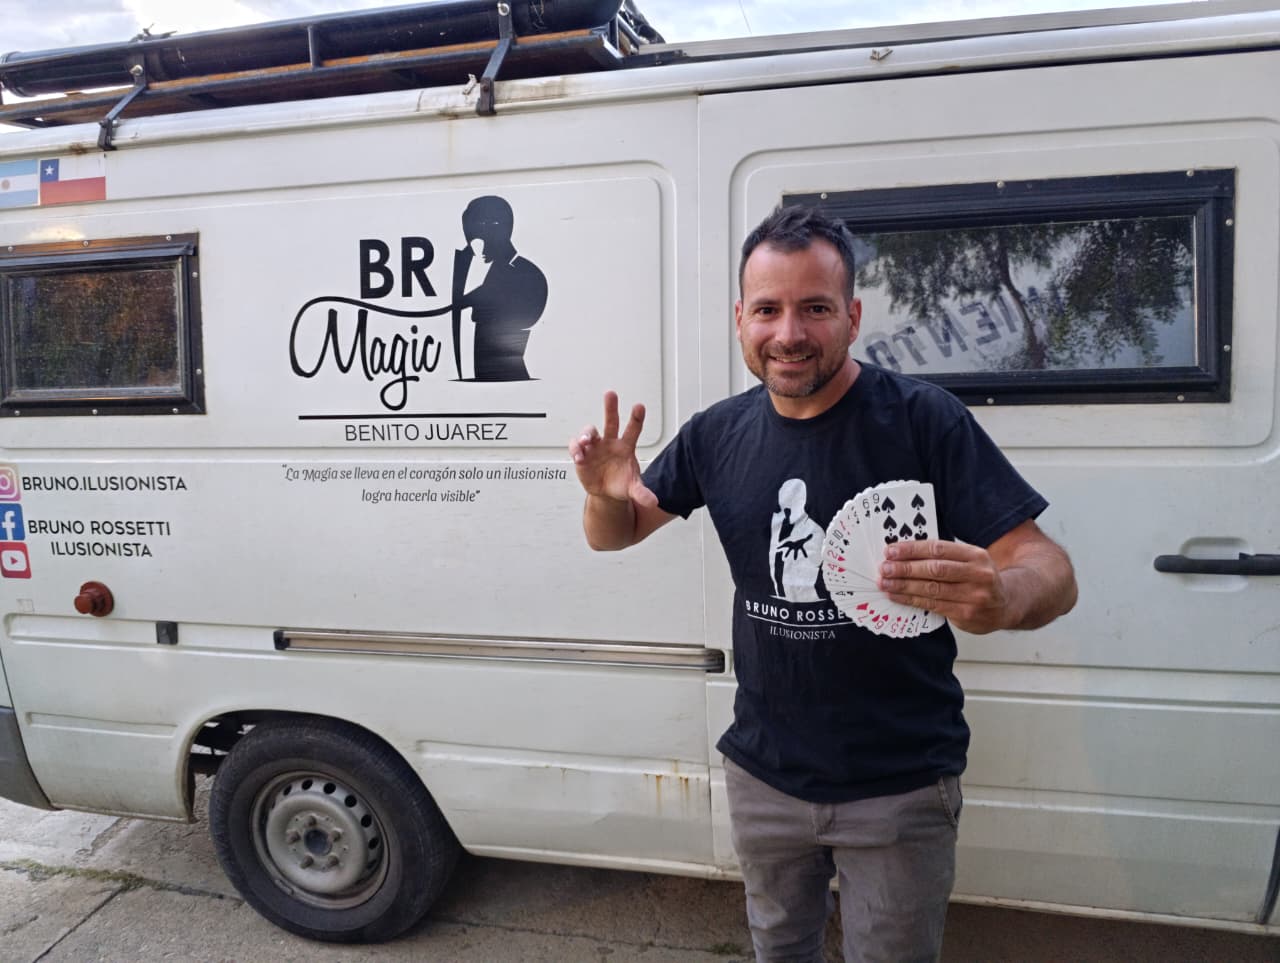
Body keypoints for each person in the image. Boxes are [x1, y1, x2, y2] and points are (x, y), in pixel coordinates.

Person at [568, 205, 1077, 963]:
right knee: (780, 951)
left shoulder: (924, 421)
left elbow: (1051, 569)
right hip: (764, 775)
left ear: (852, 316)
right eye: (767, 310)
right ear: (740, 318)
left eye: (815, 308)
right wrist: (605, 496)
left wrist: (1003, 597)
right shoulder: (717, 433)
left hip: (898, 785)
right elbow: (615, 533)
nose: (789, 333)